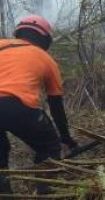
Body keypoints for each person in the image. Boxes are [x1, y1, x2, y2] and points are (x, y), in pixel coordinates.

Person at [0, 15, 78, 195]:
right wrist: (65, 137)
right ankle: (45, 192)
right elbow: (55, 105)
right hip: (18, 107)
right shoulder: (46, 59)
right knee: (48, 148)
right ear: (45, 39)